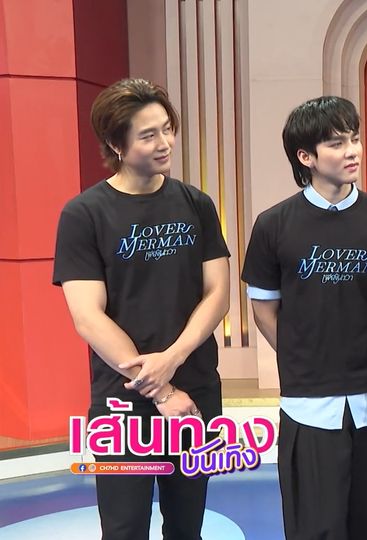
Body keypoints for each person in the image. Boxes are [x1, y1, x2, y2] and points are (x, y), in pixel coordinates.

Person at [53, 78, 231, 540]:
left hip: (196, 394)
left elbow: (217, 293)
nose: (165, 143)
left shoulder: (196, 204)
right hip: (122, 403)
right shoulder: (84, 214)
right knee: (124, 528)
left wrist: (173, 359)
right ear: (116, 144)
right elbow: (88, 316)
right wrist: (162, 391)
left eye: (167, 129)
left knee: (187, 526)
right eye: (148, 135)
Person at [241, 96, 367, 539]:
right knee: (315, 527)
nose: (352, 151)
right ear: (306, 157)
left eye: (354, 139)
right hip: (308, 404)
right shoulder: (273, 225)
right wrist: (302, 355)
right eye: (336, 143)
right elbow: (263, 310)